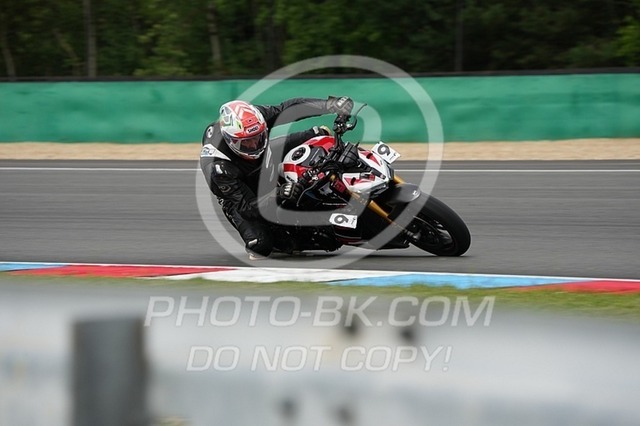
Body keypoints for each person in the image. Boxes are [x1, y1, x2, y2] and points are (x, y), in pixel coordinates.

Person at [200, 96, 354, 260]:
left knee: (318, 135)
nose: (254, 146)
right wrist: (278, 194)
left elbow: (289, 109)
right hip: (240, 194)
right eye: (246, 143)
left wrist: (329, 105)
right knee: (260, 246)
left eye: (258, 137)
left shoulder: (253, 119)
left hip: (266, 155)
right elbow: (247, 207)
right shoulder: (218, 167)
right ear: (230, 140)